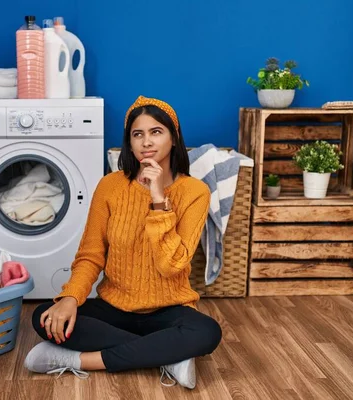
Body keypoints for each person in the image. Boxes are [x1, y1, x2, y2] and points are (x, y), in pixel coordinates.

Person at [23, 95, 222, 389]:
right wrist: (70, 299)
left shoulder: (195, 192)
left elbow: (172, 265)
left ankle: (77, 361)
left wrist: (158, 200)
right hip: (114, 309)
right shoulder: (110, 186)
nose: (146, 142)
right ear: (129, 143)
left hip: (168, 310)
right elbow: (91, 255)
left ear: (174, 138)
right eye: (137, 134)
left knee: (207, 332)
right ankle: (168, 354)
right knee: (44, 316)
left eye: (156, 132)